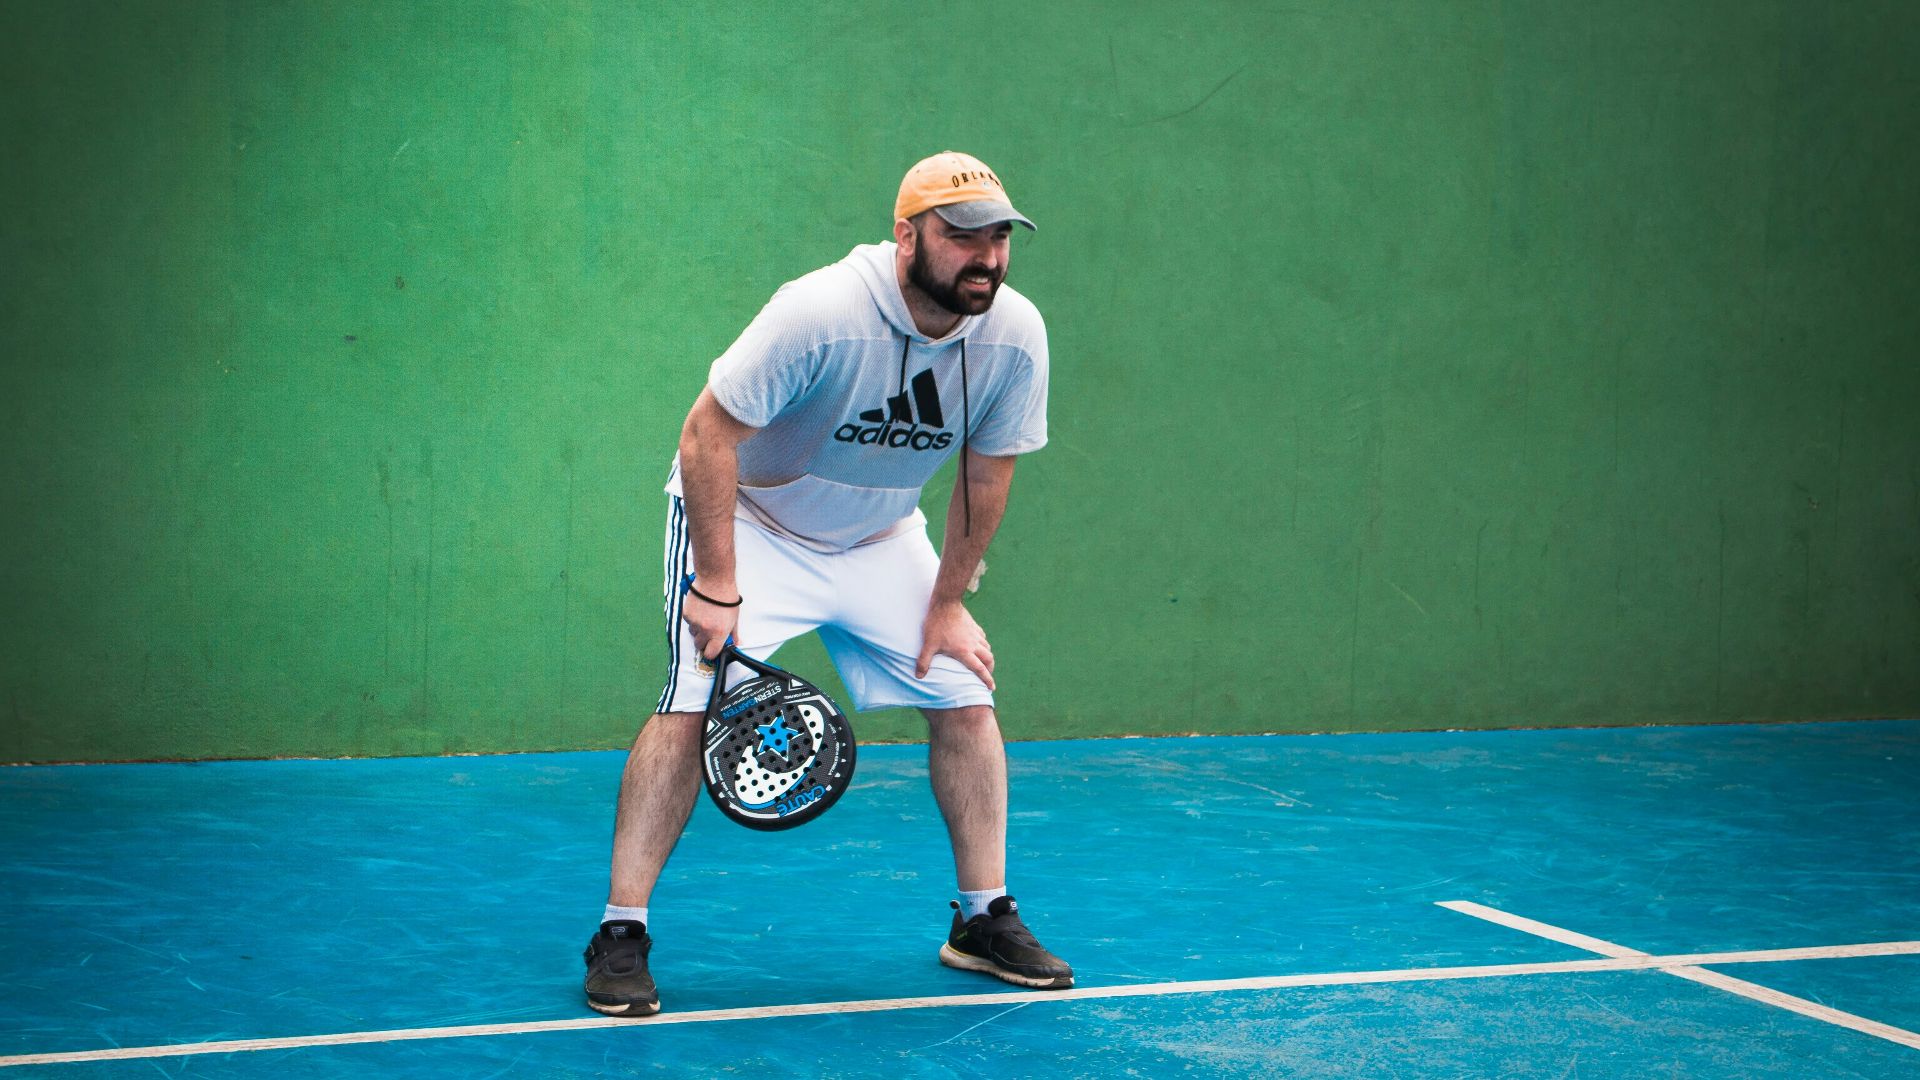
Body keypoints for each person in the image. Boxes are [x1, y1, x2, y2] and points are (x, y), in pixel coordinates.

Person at [582, 152, 1073, 1016]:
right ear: (907, 234)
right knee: (690, 700)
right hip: (757, 524)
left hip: (881, 532)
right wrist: (720, 582)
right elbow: (705, 439)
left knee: (965, 696)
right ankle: (622, 931)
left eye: (999, 237)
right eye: (962, 237)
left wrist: (948, 601)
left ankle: (981, 919)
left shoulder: (1014, 334)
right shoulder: (821, 312)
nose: (986, 257)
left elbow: (986, 476)